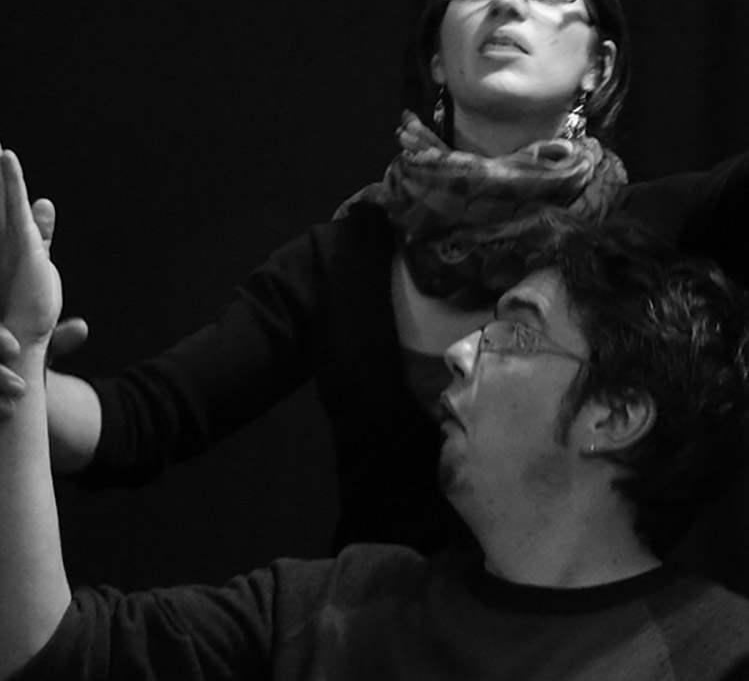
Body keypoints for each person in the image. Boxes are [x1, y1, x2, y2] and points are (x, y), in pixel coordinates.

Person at [4, 0, 749, 564]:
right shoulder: (347, 255)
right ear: (437, 58)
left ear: (597, 66)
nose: (506, 2)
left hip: (601, 643)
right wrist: (18, 367)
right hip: (375, 639)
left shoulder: (660, 232)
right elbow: (139, 421)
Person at [2, 162, 749, 680]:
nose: (458, 352)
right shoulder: (333, 607)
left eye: (516, 333)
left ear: (615, 415)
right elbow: (49, 653)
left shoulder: (717, 653)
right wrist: (20, 359)